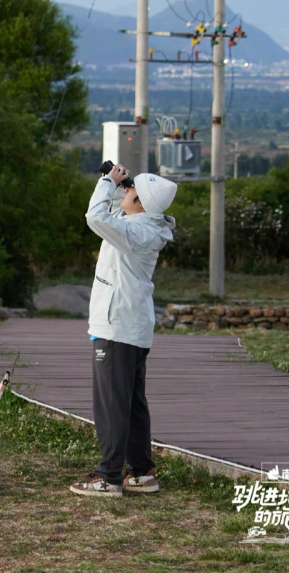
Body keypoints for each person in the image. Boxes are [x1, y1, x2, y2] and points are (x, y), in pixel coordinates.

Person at [69, 163, 177, 498]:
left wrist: (106, 182)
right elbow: (114, 214)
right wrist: (119, 187)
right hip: (131, 326)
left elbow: (96, 217)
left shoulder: (135, 232)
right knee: (131, 402)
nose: (125, 190)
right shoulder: (142, 225)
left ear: (142, 204)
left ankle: (109, 477)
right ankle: (142, 473)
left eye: (130, 190)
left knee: (111, 405)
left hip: (117, 327)